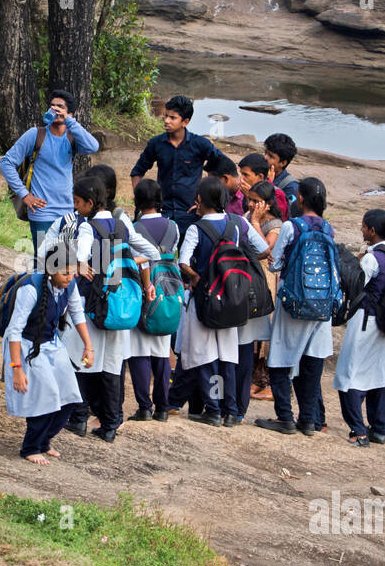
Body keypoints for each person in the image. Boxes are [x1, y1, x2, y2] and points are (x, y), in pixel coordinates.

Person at [66, 168, 159, 441]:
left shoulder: (86, 227)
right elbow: (152, 253)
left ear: (91, 203)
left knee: (83, 360)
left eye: (78, 202)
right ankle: (110, 426)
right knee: (111, 366)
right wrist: (124, 262)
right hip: (119, 300)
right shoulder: (122, 224)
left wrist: (81, 266)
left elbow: (81, 257)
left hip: (93, 301)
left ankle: (80, 419)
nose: (76, 207)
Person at [170, 176, 269, 427]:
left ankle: (213, 409)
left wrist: (195, 277)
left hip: (205, 298)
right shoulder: (237, 224)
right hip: (232, 297)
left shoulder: (196, 228)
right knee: (228, 356)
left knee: (205, 357)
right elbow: (264, 249)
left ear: (201, 201)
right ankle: (231, 410)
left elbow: (183, 261)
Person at [4, 240, 95, 465]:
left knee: (70, 396)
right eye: (65, 273)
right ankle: (30, 447)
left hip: (52, 344)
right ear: (51, 270)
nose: (70, 278)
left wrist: (88, 346)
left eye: (73, 273)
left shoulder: (69, 285)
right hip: (27, 346)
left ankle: (45, 441)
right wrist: (16, 368)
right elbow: (14, 331)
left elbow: (77, 314)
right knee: (47, 396)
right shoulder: (31, 289)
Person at [255, 176, 333, 436]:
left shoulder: (292, 226)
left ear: (300, 198)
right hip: (321, 304)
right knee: (312, 361)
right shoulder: (328, 229)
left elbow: (275, 264)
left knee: (280, 358)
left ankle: (285, 417)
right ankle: (309, 421)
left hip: (293, 301)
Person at [1, 89, 100, 254]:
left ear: (70, 113)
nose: (55, 110)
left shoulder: (72, 136)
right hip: (42, 212)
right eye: (52, 106)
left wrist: (70, 122)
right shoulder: (35, 135)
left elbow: (93, 146)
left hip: (68, 212)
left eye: (60, 107)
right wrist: (24, 195)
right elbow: (6, 162)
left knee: (65, 262)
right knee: (44, 262)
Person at [333, 209, 385, 447]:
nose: (361, 230)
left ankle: (358, 431)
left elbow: (357, 286)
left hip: (365, 321)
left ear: (372, 230)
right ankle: (379, 429)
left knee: (348, 375)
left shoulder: (372, 258)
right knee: (379, 375)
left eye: (363, 226)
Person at [130, 95, 226, 238]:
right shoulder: (156, 144)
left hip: (190, 214)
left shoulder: (200, 145)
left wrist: (206, 201)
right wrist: (141, 199)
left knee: (188, 256)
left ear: (185, 122)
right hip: (162, 212)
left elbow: (223, 166)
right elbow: (137, 171)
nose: (167, 121)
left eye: (172, 118)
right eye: (166, 116)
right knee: (157, 253)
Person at [127, 178, 177, 422]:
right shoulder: (173, 227)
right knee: (162, 352)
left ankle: (144, 406)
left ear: (136, 200)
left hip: (143, 289)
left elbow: (142, 260)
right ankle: (162, 408)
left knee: (139, 352)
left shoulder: (133, 229)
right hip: (168, 290)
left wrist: (146, 285)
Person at [244, 179, 285, 403]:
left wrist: (256, 222)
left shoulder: (276, 224)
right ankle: (252, 377)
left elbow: (265, 249)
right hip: (250, 273)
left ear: (267, 204)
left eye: (256, 201)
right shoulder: (246, 218)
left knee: (263, 325)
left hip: (266, 277)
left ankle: (264, 381)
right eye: (249, 199)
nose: (251, 204)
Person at [264, 133, 301, 216]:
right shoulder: (262, 174)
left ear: (283, 163)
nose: (265, 157)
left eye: (271, 156)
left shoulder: (291, 187)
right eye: (265, 153)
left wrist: (269, 185)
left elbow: (284, 215)